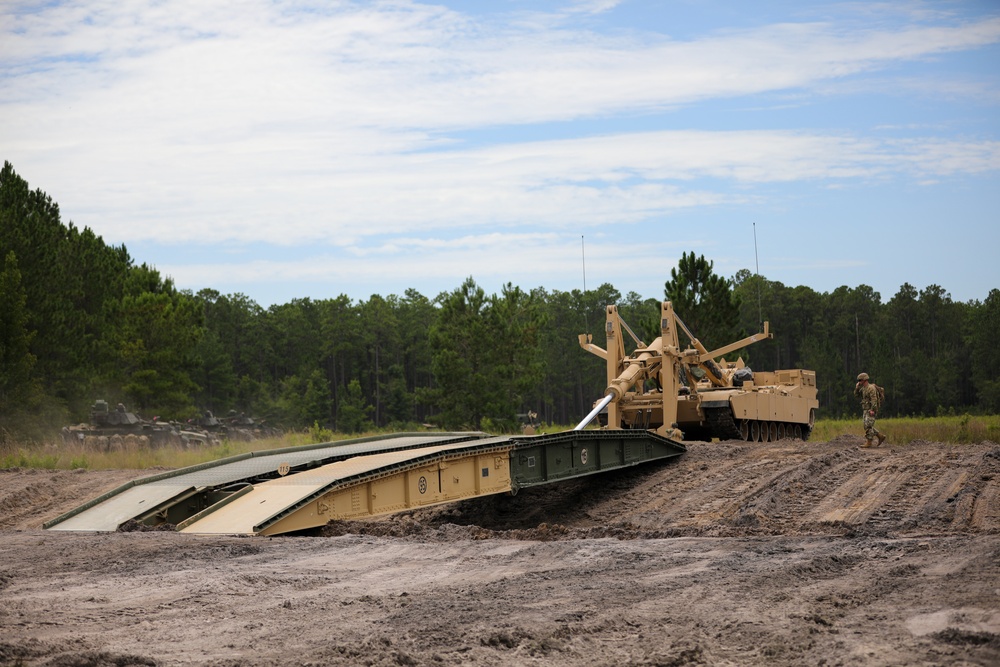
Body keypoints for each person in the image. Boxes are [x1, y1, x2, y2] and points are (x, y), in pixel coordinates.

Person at [854, 372, 886, 448]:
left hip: (870, 409)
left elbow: (874, 399)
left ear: (865, 380)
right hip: (865, 409)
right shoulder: (863, 388)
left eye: (860, 380)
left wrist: (873, 409)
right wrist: (857, 388)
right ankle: (880, 436)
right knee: (866, 426)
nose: (859, 382)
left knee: (868, 426)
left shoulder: (871, 388)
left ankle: (869, 442)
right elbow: (856, 395)